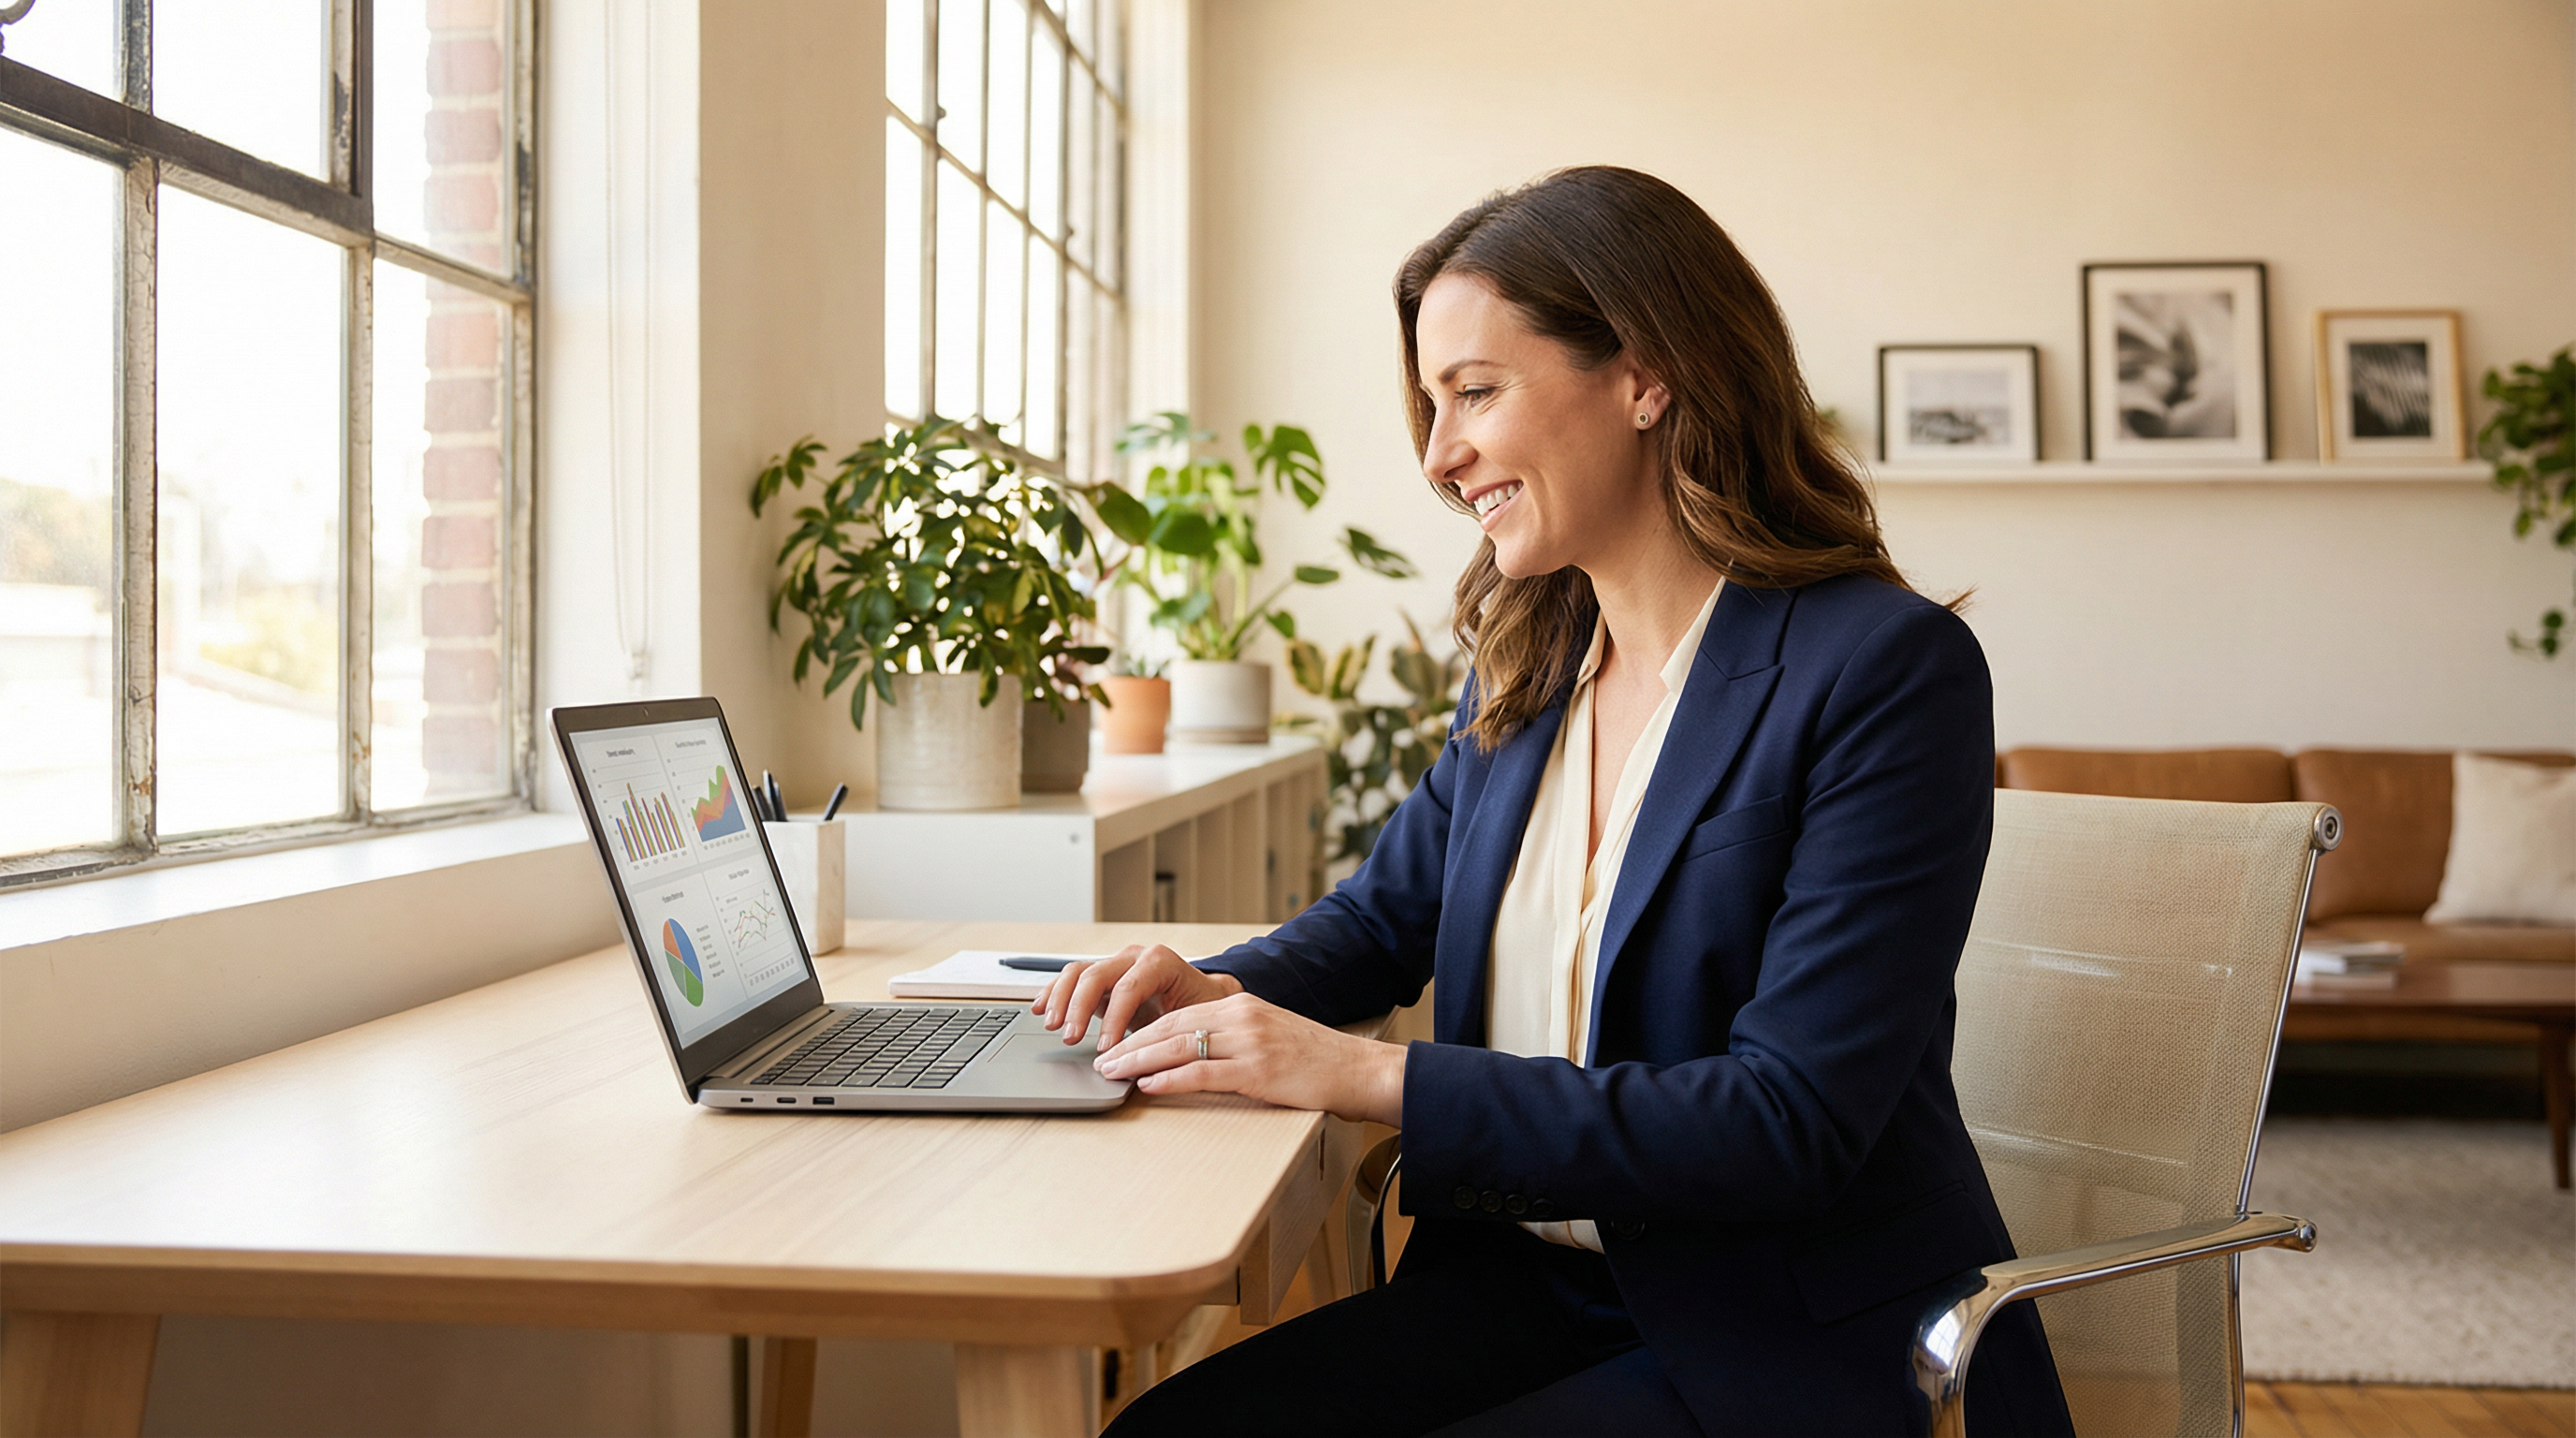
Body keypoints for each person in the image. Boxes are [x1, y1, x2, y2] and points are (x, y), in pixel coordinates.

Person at [1034, 166, 2074, 1437]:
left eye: (1475, 392)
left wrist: (1371, 1079)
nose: (1438, 453)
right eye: (1430, 405)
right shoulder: (1529, 665)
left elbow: (1786, 1121)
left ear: (1646, 374)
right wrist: (1202, 995)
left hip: (1779, 1331)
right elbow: (1378, 924)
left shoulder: (1880, 670)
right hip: (1527, 1287)